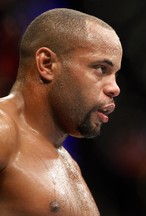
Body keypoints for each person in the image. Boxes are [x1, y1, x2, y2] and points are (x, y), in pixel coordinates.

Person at [0, 7, 122, 216]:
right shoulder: (4, 131)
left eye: (115, 74)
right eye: (101, 68)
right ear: (47, 64)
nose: (115, 88)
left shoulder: (67, 163)